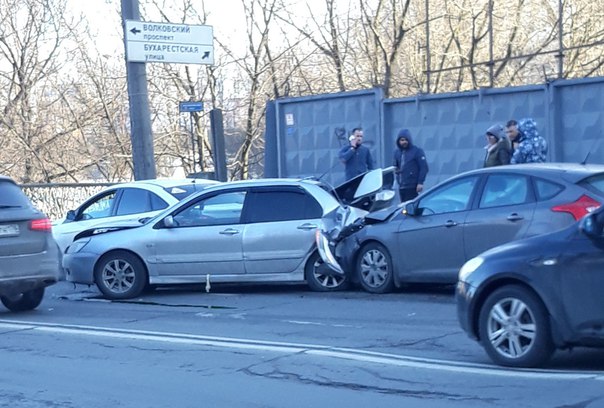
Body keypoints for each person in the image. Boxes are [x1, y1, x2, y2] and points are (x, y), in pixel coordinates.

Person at [393, 129, 429, 202]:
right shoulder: (397, 153)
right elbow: (395, 166)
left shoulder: (417, 151)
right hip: (402, 186)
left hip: (413, 186)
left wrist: (420, 182)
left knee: (413, 207)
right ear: (399, 141)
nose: (404, 142)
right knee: (403, 209)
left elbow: (424, 168)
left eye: (406, 140)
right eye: (402, 140)